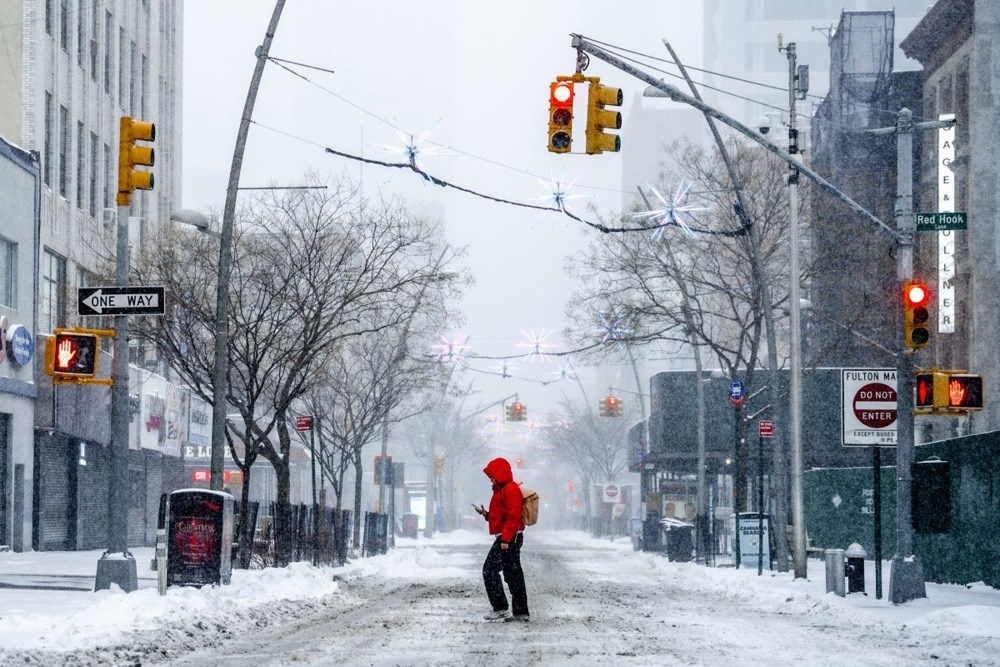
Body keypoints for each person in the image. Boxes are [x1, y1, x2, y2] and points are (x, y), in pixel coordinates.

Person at [475, 457, 530, 622]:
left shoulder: (510, 489)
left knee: (490, 570)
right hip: (508, 537)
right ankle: (520, 612)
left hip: (510, 538)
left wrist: (505, 540)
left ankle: (501, 608)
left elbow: (513, 516)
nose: (490, 479)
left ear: (499, 474)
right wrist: (487, 515)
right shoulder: (501, 490)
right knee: (512, 574)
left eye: (491, 475)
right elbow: (503, 515)